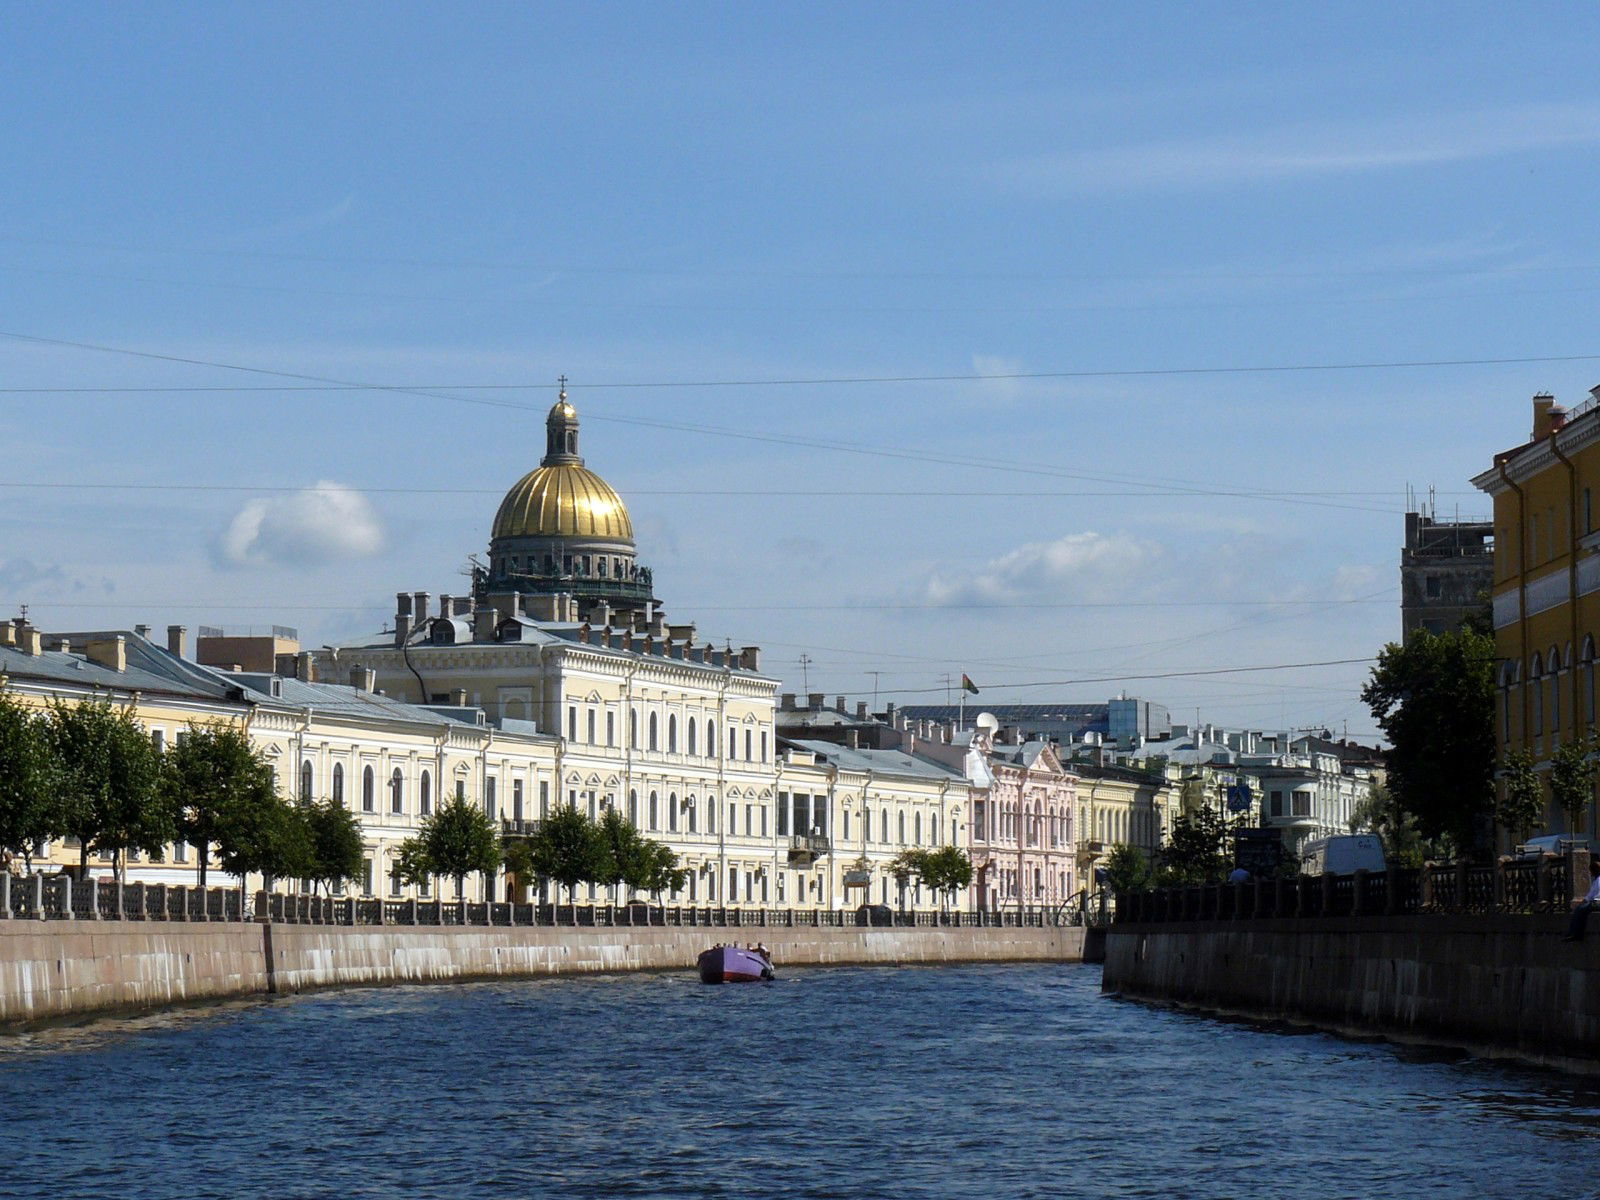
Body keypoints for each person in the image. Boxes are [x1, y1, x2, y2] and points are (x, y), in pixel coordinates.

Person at [1562, 857, 1600, 942]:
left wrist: (1581, 903)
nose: (1590, 873)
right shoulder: (1597, 880)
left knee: (1580, 910)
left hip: (1597, 902)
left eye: (1591, 871)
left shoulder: (1598, 880)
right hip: (1596, 902)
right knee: (1581, 910)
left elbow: (1590, 896)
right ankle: (1574, 933)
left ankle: (1575, 934)